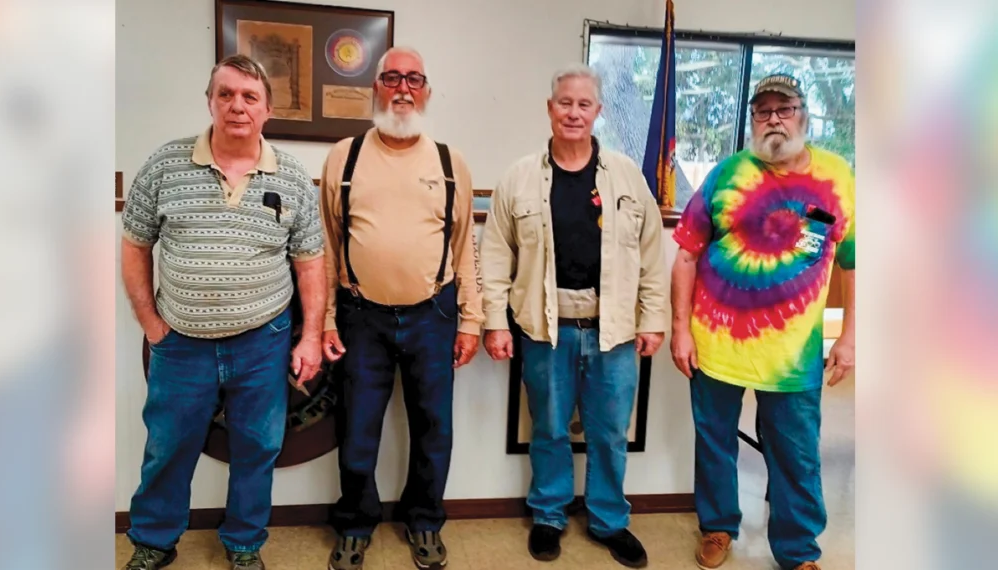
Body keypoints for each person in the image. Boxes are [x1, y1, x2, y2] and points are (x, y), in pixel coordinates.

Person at [120, 54, 326, 570]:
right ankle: (153, 541)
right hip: (181, 343)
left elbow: (311, 267)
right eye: (226, 94)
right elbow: (134, 247)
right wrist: (150, 322)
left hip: (264, 340)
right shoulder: (166, 166)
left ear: (267, 109)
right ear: (210, 101)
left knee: (257, 448)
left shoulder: (295, 177)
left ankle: (243, 545)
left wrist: (310, 337)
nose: (237, 105)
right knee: (168, 447)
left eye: (249, 96)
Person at [479, 64, 669, 569]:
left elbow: (651, 254)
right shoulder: (519, 177)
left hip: (615, 331)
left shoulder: (628, 177)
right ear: (549, 108)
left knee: (609, 431)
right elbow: (496, 255)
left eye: (584, 104)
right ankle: (549, 515)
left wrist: (654, 319)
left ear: (598, 112)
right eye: (565, 102)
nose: (574, 112)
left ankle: (609, 519)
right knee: (549, 428)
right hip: (545, 327)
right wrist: (495, 321)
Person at [670, 73, 855, 570]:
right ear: (752, 119)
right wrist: (681, 329)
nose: (774, 118)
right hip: (716, 344)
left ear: (804, 115)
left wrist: (852, 337)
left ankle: (798, 551)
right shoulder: (726, 174)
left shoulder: (838, 178)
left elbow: (854, 263)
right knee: (714, 444)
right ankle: (717, 527)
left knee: (796, 455)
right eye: (763, 110)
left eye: (785, 108)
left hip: (793, 356)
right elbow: (686, 256)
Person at [318, 46, 484, 570]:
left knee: (434, 426)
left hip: (433, 314)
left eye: (413, 79)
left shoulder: (448, 162)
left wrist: (472, 320)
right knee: (358, 425)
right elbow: (325, 244)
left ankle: (425, 521)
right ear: (377, 89)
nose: (403, 88)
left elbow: (464, 251)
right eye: (392, 78)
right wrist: (324, 318)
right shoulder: (344, 155)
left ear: (427, 91)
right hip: (359, 315)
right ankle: (355, 523)